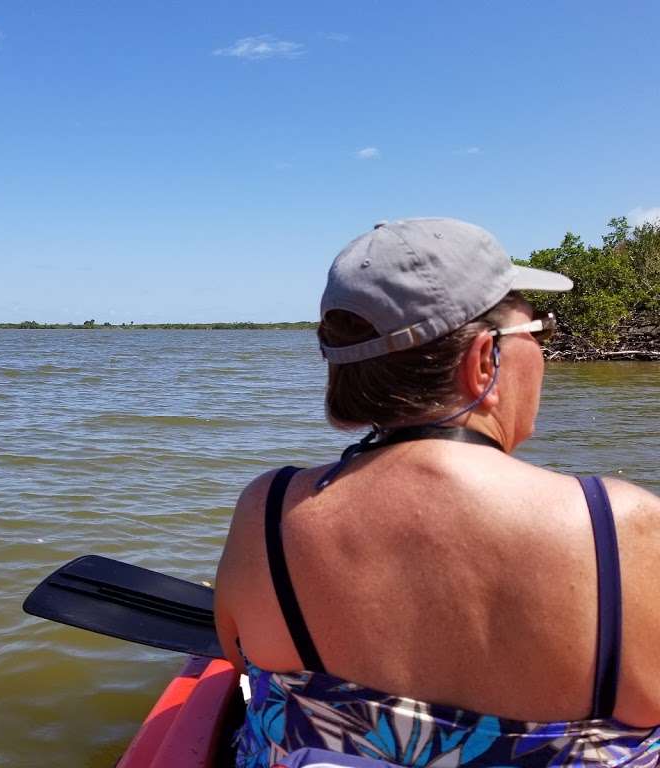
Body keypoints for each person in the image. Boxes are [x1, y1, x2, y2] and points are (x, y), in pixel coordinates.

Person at [214, 218, 660, 768]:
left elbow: (237, 659)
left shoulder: (269, 510)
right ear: (483, 361)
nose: (545, 349)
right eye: (538, 330)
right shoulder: (625, 527)